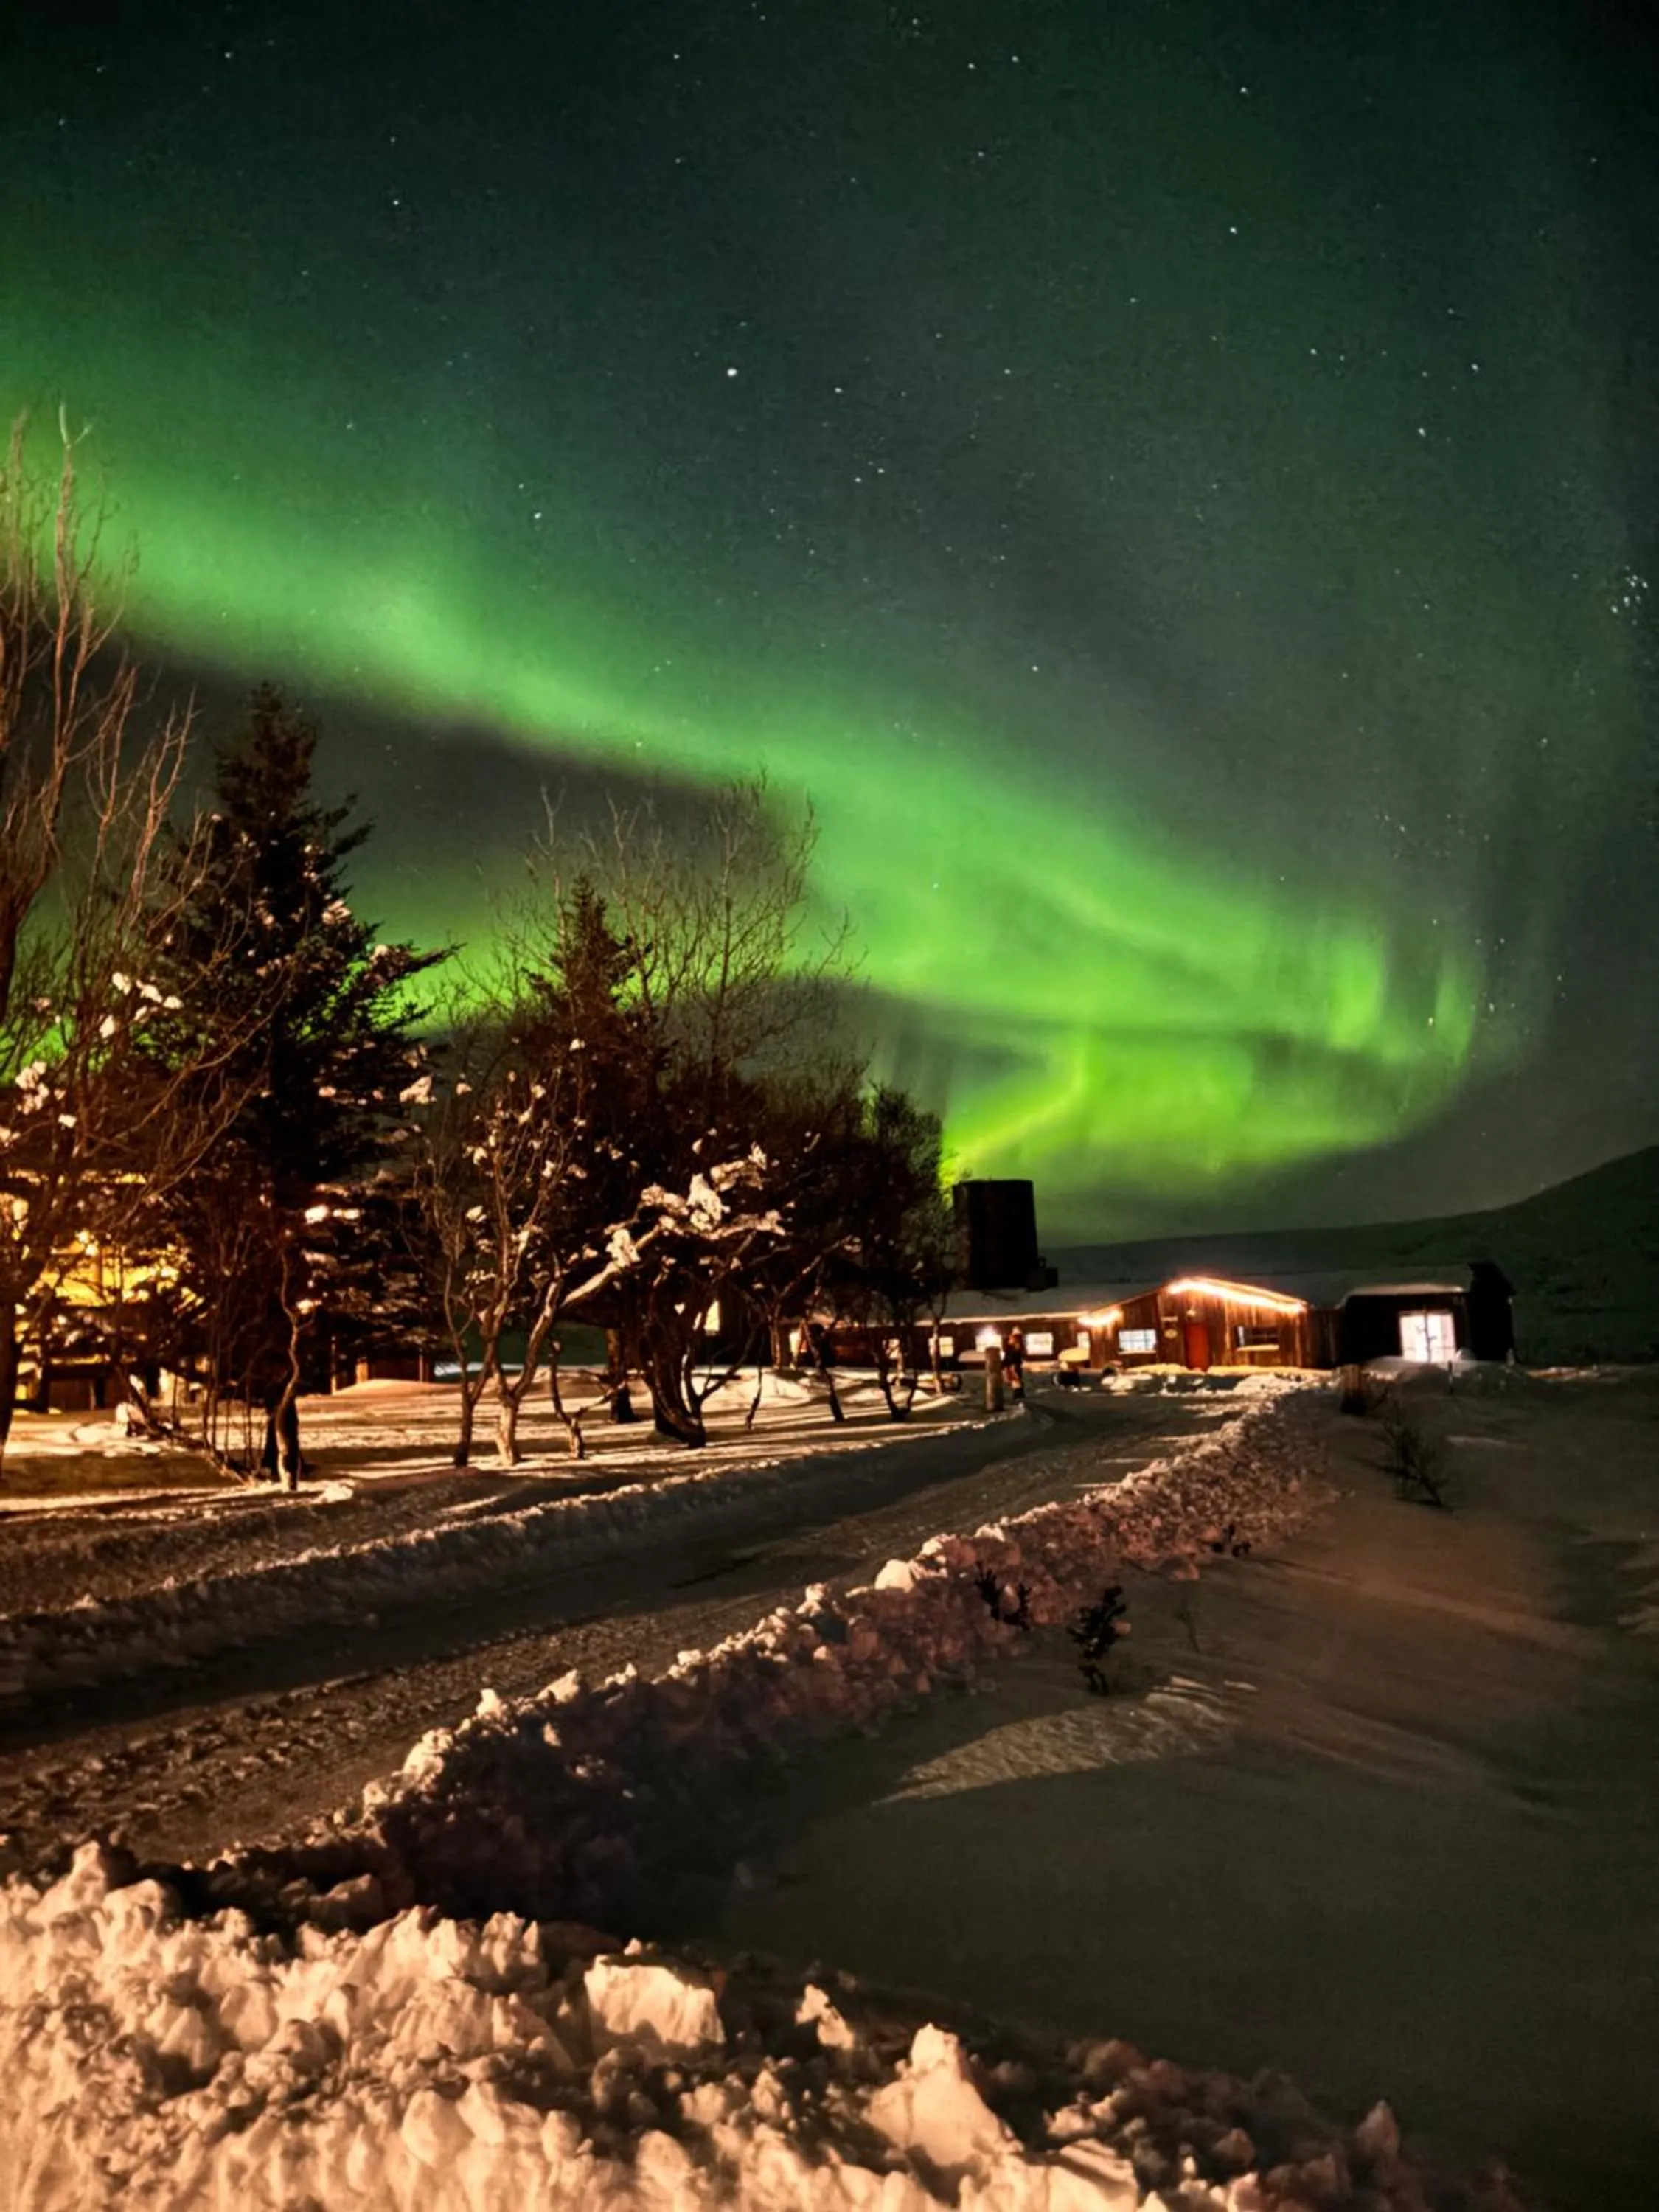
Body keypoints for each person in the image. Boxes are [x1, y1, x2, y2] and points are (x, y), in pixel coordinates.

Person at [1003, 1326, 1026, 1401]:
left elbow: (1012, 1355)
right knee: (1015, 1379)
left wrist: (1006, 1363)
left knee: (1015, 1379)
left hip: (1013, 1364)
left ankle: (1018, 1394)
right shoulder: (1018, 1343)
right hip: (1013, 1364)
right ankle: (1019, 1393)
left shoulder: (1015, 1344)